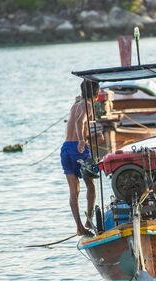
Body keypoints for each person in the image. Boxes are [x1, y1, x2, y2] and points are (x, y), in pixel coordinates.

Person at [60, 80, 100, 236]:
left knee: (73, 191)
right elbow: (79, 121)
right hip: (79, 149)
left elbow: (75, 124)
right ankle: (89, 220)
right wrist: (83, 140)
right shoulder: (88, 105)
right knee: (91, 185)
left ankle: (79, 227)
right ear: (96, 94)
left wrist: (88, 136)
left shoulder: (74, 106)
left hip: (65, 149)